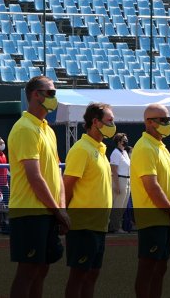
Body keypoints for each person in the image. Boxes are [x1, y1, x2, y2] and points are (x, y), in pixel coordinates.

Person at [8, 76, 68, 298]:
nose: (54, 98)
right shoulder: (25, 128)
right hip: (29, 211)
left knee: (41, 269)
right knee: (28, 271)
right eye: (50, 93)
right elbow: (35, 177)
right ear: (36, 95)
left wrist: (60, 208)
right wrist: (58, 210)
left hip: (46, 211)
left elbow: (57, 172)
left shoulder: (47, 130)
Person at [63, 102, 114, 298]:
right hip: (83, 225)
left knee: (92, 275)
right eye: (109, 121)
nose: (113, 124)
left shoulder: (100, 149)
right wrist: (62, 214)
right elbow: (67, 185)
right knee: (79, 276)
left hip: (98, 225)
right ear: (95, 122)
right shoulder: (81, 149)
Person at [132, 103, 170, 298]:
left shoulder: (161, 147)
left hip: (165, 218)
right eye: (164, 120)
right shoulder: (145, 147)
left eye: (168, 119)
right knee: (148, 269)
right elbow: (151, 186)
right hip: (153, 218)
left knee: (160, 269)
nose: (168, 123)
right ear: (150, 122)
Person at [108, 133, 131, 233]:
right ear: (119, 142)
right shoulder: (115, 153)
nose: (126, 141)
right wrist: (117, 185)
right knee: (118, 205)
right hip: (120, 180)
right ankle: (115, 227)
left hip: (127, 180)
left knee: (123, 205)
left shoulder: (124, 153)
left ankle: (117, 226)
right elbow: (114, 170)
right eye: (124, 139)